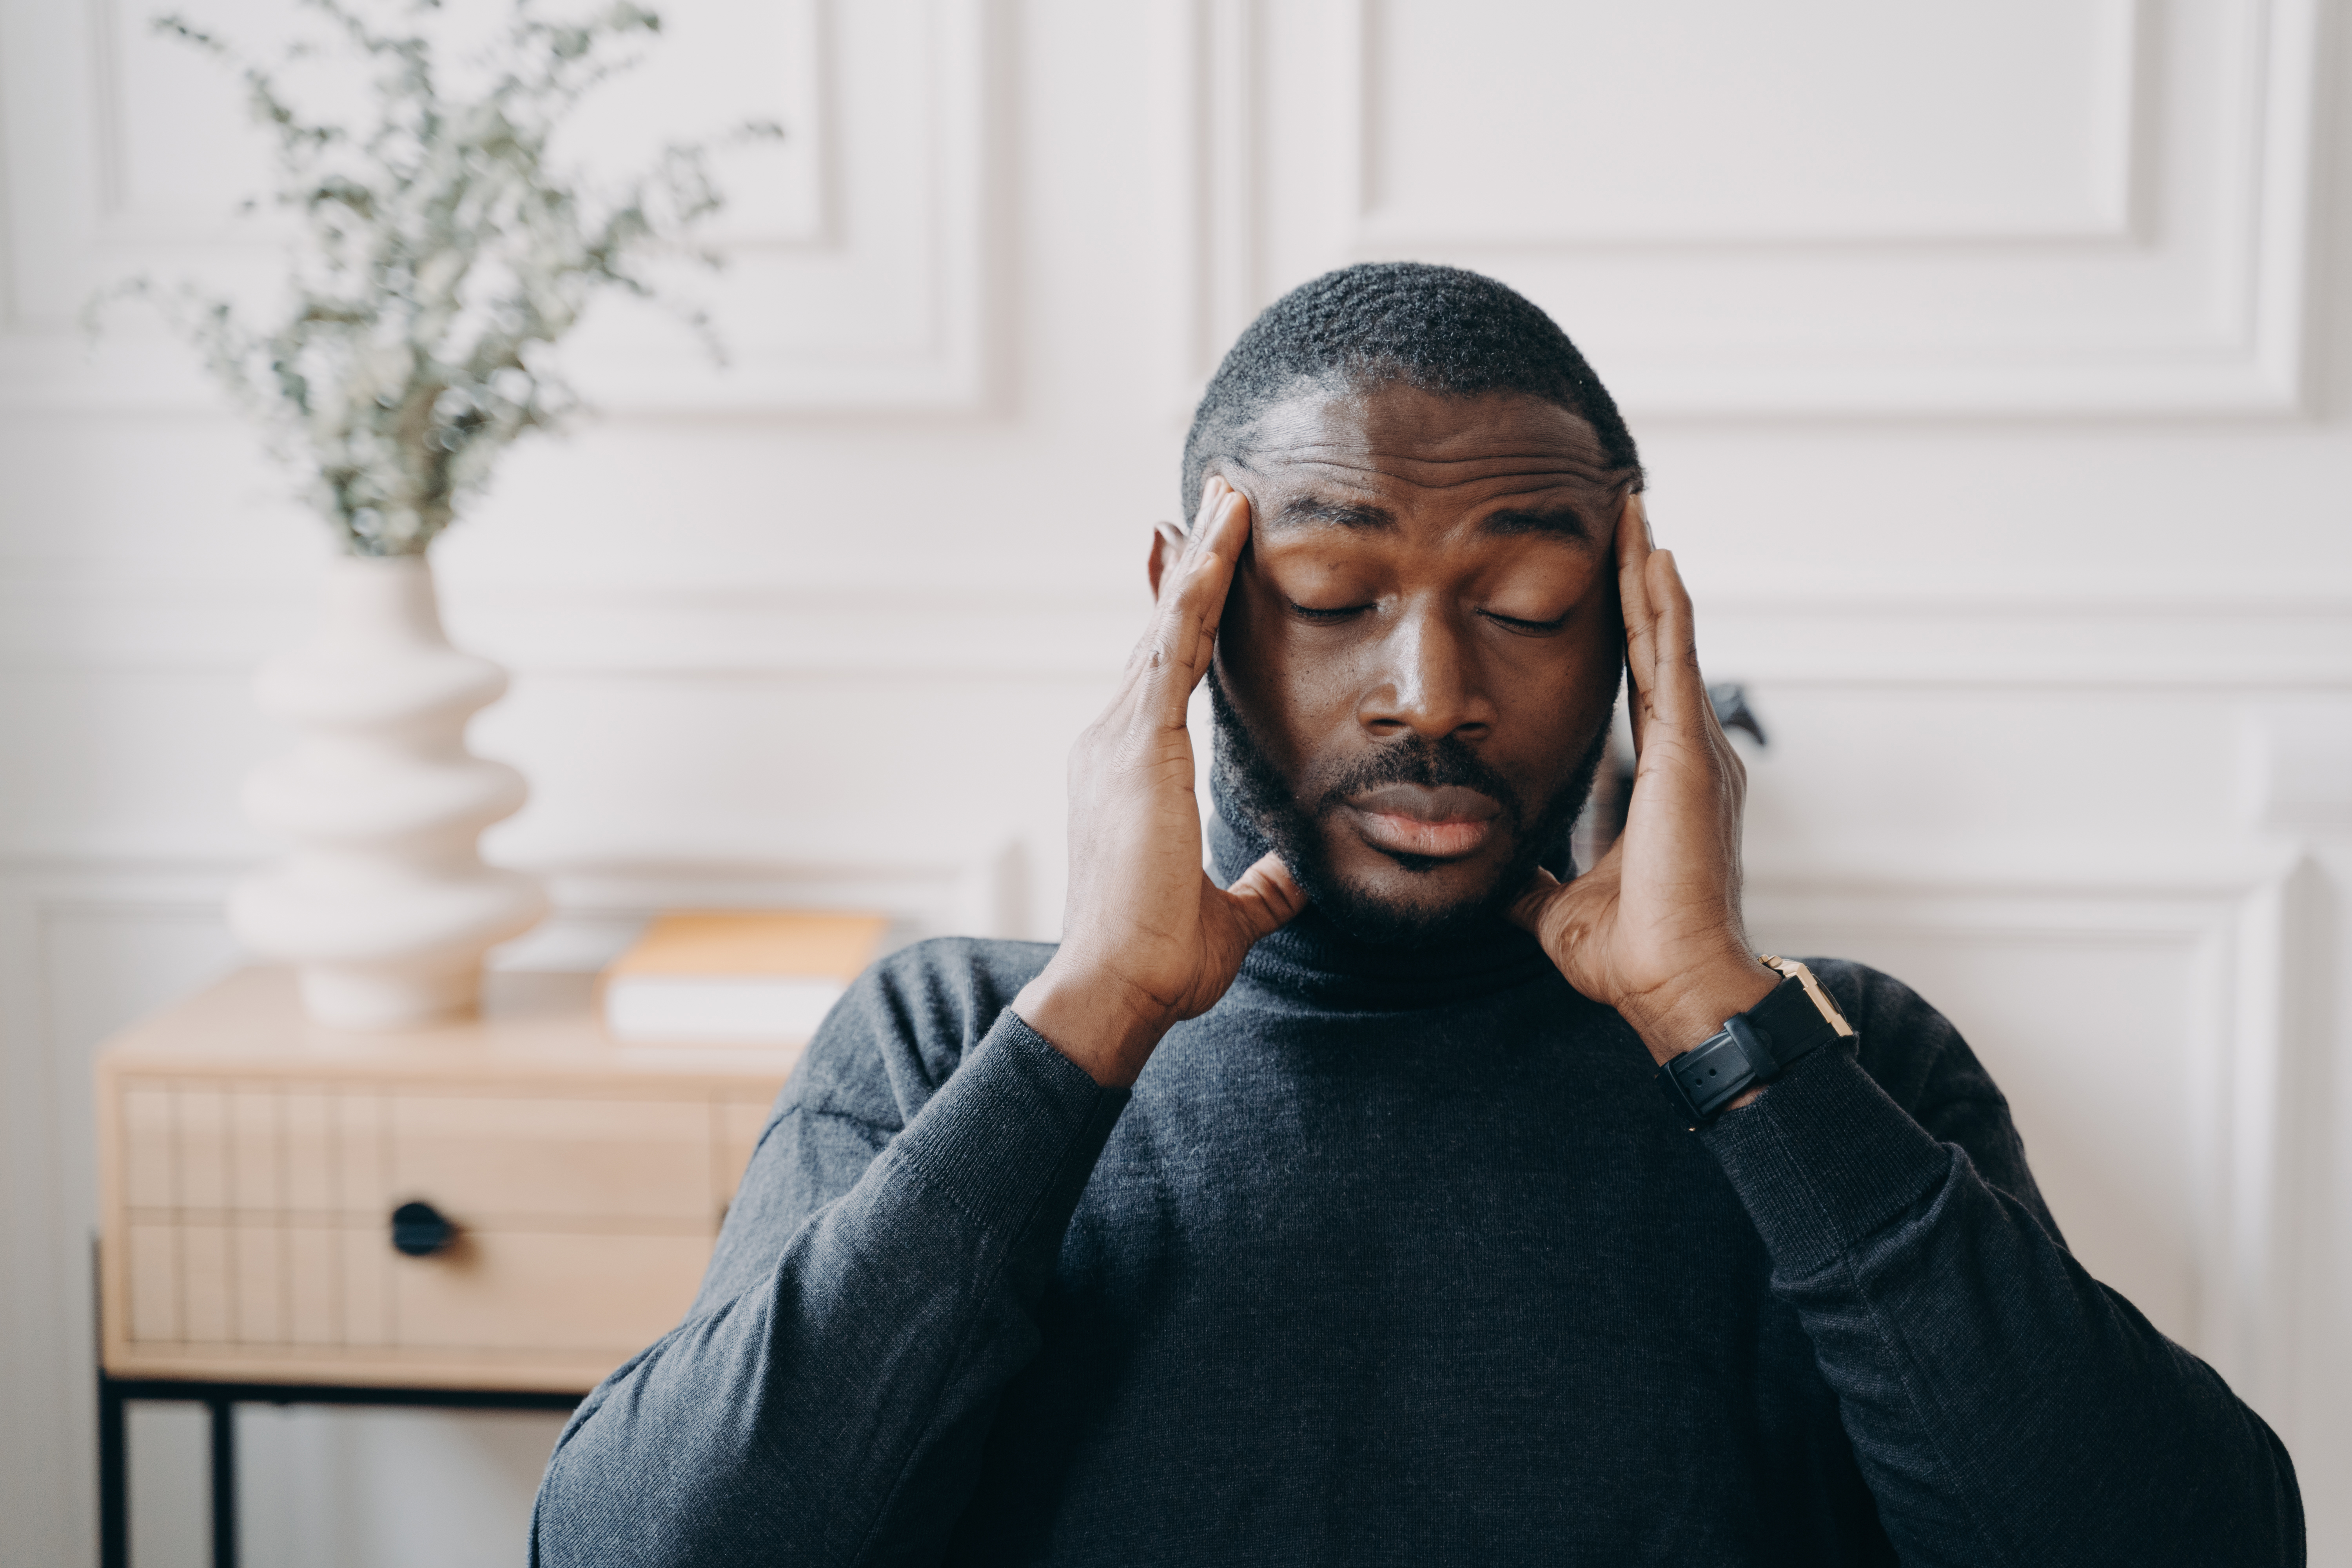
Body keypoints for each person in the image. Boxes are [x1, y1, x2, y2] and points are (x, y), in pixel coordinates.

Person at [531, 263, 2303, 1566]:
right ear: (1191, 606)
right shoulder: (945, 1044)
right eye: (1328, 592)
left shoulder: (1842, 1059)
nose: (1430, 688)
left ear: (1633, 620)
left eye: (1527, 600)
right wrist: (1092, 1017)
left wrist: (1726, 1026)